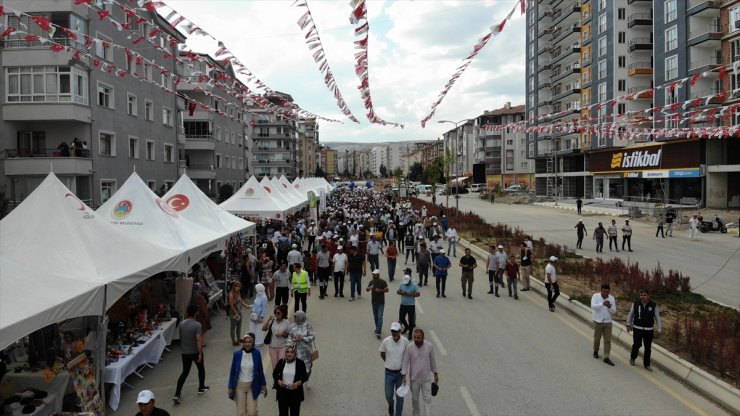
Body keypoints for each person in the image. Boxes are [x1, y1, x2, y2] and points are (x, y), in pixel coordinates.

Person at [173, 304, 208, 405]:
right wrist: (200, 353)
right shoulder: (197, 325)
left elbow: (181, 337)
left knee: (185, 372)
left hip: (185, 353)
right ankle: (201, 387)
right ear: (196, 313)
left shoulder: (182, 324)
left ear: (188, 312)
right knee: (201, 369)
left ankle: (177, 393)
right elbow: (198, 340)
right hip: (195, 352)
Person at [228, 333, 268, 416]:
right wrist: (230, 387)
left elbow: (260, 370)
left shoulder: (257, 353)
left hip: (252, 386)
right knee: (241, 412)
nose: (247, 344)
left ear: (252, 343)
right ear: (243, 343)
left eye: (249, 342)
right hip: (239, 387)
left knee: (252, 412)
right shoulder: (237, 354)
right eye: (245, 342)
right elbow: (232, 372)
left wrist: (263, 385)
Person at [401, 329, 439, 416]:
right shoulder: (409, 347)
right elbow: (405, 362)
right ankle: (416, 414)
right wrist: (404, 376)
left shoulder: (429, 346)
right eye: (414, 337)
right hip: (414, 379)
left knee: (427, 399)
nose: (416, 339)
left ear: (423, 338)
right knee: (415, 399)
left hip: (426, 379)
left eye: (418, 338)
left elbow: (433, 361)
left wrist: (436, 374)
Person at [627, 290, 663, 372]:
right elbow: (631, 314)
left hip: (648, 330)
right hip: (637, 328)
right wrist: (628, 324)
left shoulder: (653, 305)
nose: (642, 297)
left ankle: (647, 364)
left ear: (648, 296)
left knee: (648, 348)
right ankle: (633, 358)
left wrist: (659, 329)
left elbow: (657, 318)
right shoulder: (635, 304)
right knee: (637, 344)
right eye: (641, 295)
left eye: (644, 295)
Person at [380, 322, 410, 416]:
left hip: (400, 374)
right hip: (389, 373)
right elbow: (382, 353)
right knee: (388, 395)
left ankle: (398, 414)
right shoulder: (386, 341)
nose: (394, 333)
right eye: (392, 331)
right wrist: (388, 362)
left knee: (400, 397)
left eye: (396, 331)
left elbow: (407, 357)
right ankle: (391, 405)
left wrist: (405, 374)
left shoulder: (405, 342)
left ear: (400, 331)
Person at [272, 343, 309, 416]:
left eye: (292, 352)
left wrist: (298, 383)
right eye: (287, 352)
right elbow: (275, 374)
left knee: (295, 413)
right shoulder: (281, 362)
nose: (289, 354)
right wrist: (278, 380)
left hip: (295, 394)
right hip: (283, 393)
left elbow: (305, 376)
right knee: (283, 414)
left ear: (295, 353)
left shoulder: (300, 363)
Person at [591, 284, 617, 366]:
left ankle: (606, 357)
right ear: (601, 290)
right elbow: (593, 306)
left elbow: (614, 312)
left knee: (607, 340)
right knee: (597, 338)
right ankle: (595, 351)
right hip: (597, 321)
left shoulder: (611, 298)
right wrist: (602, 304)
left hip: (608, 322)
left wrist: (609, 306)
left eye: (607, 292)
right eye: (604, 291)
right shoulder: (595, 296)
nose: (606, 293)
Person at [288, 311, 316, 381]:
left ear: (300, 317)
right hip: (296, 351)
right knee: (296, 367)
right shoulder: (292, 326)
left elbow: (313, 336)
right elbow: (289, 337)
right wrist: (293, 340)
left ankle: (307, 377)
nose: (294, 317)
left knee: (307, 367)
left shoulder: (308, 325)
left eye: (295, 316)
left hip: (306, 352)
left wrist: (303, 338)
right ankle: (299, 382)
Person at [263, 304, 290, 370]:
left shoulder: (286, 322)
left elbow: (288, 334)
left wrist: (283, 334)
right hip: (272, 347)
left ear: (283, 313)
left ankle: (280, 378)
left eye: (278, 313)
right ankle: (276, 380)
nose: (276, 314)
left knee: (280, 365)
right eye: (275, 312)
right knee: (274, 366)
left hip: (282, 346)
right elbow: (263, 329)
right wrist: (269, 319)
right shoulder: (273, 320)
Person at [367, 269, 389, 338]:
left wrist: (380, 290)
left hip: (381, 302)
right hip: (374, 302)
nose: (374, 276)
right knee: (375, 317)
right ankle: (377, 328)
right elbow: (367, 289)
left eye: (375, 274)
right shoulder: (371, 282)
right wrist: (369, 288)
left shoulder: (383, 282)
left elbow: (387, 289)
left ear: (378, 275)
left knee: (380, 317)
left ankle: (378, 331)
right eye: (373, 274)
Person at [397, 271, 419, 340]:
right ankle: (406, 327)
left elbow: (418, 294)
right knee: (401, 318)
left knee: (411, 320)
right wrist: (402, 293)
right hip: (403, 304)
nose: (406, 284)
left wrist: (410, 294)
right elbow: (398, 291)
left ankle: (410, 334)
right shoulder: (402, 283)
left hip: (411, 305)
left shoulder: (414, 285)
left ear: (410, 280)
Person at [229, 282, 251, 346]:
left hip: (239, 312)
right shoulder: (231, 294)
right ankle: (234, 341)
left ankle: (238, 338)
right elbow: (231, 305)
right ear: (234, 287)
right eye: (238, 287)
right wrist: (235, 313)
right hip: (233, 313)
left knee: (239, 326)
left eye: (240, 287)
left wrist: (246, 305)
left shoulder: (238, 293)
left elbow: (241, 300)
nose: (239, 288)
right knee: (233, 327)